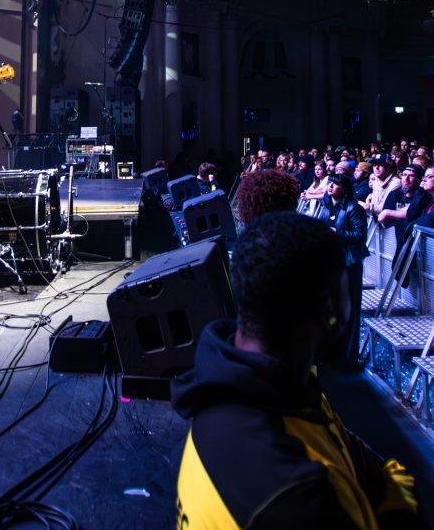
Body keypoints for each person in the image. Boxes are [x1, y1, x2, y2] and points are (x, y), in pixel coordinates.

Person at [172, 211, 419, 527]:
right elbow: (383, 478)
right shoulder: (294, 498)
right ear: (330, 310)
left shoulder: (250, 390)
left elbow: (362, 465)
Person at [323, 172, 370, 364]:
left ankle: (349, 357)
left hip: (350, 263)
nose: (331, 186)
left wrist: (337, 232)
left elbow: (360, 236)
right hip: (332, 262)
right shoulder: (327, 205)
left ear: (344, 188)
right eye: (330, 183)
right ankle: (333, 353)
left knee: (351, 310)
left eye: (335, 183)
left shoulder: (354, 208)